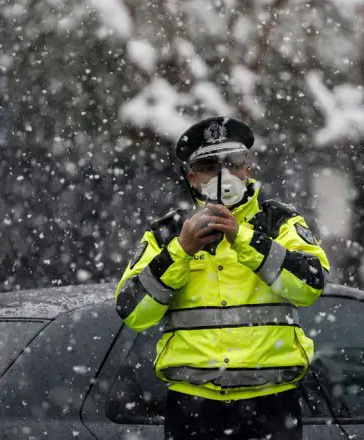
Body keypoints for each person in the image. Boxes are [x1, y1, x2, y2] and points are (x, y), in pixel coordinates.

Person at [115, 116, 330, 440]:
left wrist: (243, 238)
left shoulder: (279, 222)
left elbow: (311, 285)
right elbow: (132, 311)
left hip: (271, 407)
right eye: (210, 165)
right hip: (193, 409)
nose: (223, 174)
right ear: (192, 177)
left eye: (234, 163)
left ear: (248, 168)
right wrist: (181, 251)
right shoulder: (166, 233)